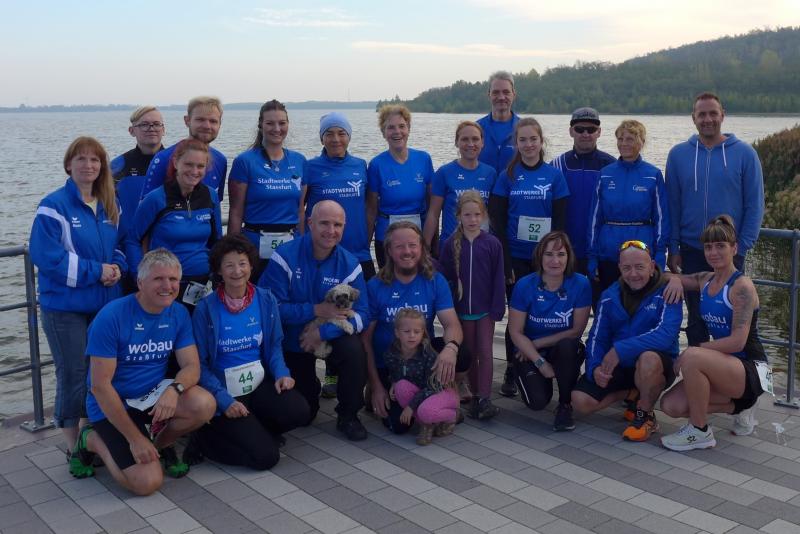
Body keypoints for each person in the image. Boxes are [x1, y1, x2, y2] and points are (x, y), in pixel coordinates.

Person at [69, 249, 216, 495]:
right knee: (146, 483)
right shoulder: (112, 316)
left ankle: (159, 445)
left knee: (204, 404)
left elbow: (192, 366)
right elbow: (100, 386)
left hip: (151, 398)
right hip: (113, 404)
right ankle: (91, 440)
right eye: (158, 279)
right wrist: (134, 439)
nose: (167, 286)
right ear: (140, 282)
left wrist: (174, 390)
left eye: (173, 279)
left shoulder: (178, 313)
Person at [30, 135, 126, 460]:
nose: (88, 165)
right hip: (65, 308)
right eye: (81, 159)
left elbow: (121, 245)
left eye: (95, 159)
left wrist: (118, 267)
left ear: (102, 166)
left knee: (99, 373)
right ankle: (73, 446)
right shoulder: (53, 206)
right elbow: (47, 257)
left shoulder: (111, 205)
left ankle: (89, 433)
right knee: (72, 373)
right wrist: (97, 271)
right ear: (68, 165)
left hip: (103, 306)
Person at [191, 235, 310, 469]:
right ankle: (204, 439)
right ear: (219, 270)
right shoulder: (206, 309)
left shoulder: (266, 299)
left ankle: (255, 430)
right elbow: (200, 364)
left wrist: (282, 374)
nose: (237, 271)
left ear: (251, 266)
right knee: (266, 458)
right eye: (229, 265)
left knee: (299, 411)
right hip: (224, 391)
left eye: (242, 263)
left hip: (257, 385)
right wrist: (224, 400)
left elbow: (274, 345)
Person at [258, 200, 370, 441]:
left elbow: (363, 314)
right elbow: (270, 310)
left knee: (354, 349)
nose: (331, 231)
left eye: (337, 225)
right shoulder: (284, 256)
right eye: (324, 223)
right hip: (292, 341)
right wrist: (315, 309)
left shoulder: (350, 263)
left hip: (327, 335)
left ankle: (349, 414)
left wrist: (322, 333)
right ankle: (311, 388)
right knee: (304, 415)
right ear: (310, 223)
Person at [660, 215, 768, 450]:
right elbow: (666, 277)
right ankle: (739, 406)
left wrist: (693, 352)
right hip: (724, 365)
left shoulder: (741, 287)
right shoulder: (705, 280)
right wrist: (675, 280)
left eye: (720, 246)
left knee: (693, 356)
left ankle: (700, 430)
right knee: (670, 405)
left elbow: (737, 342)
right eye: (708, 247)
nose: (713, 252)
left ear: (734, 248)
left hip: (752, 368)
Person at [666, 92, 765, 347]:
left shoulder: (745, 154)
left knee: (731, 316)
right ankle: (697, 365)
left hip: (729, 250)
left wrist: (742, 246)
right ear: (693, 118)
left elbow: (755, 205)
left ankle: (733, 367)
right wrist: (673, 247)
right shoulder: (678, 155)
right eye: (702, 114)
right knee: (696, 320)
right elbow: (672, 205)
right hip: (691, 249)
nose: (707, 119)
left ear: (723, 115)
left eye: (713, 113)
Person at [489, 117, 570, 397]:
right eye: (522, 140)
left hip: (545, 259)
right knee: (517, 315)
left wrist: (557, 259)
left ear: (541, 141)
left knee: (543, 312)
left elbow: (560, 222)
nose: (528, 144)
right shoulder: (507, 176)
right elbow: (497, 221)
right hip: (516, 258)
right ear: (516, 143)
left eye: (533, 139)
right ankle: (513, 369)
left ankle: (544, 363)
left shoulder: (554, 176)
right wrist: (506, 262)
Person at [571, 240, 682, 442]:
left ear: (652, 266)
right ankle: (632, 393)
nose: (633, 274)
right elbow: (597, 337)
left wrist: (620, 350)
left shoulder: (667, 291)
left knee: (648, 359)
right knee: (580, 401)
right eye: (627, 268)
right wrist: (595, 368)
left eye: (639, 267)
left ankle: (645, 415)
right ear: (619, 268)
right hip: (621, 365)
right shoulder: (609, 296)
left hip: (656, 365)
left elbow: (665, 335)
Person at [364, 221, 467, 434]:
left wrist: (451, 349)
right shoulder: (375, 285)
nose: (407, 251)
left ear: (421, 247)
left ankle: (447, 396)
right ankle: (426, 410)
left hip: (423, 363)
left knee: (462, 352)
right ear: (389, 251)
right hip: (391, 365)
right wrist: (376, 386)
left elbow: (452, 324)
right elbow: (364, 340)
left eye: (412, 245)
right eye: (400, 246)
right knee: (398, 426)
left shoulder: (434, 280)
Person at [507, 231, 591, 431]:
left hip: (559, 347)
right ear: (540, 256)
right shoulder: (524, 285)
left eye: (561, 254)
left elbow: (577, 330)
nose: (555, 261)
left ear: (569, 257)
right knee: (537, 402)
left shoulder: (581, 283)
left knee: (568, 346)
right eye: (549, 254)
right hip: (529, 352)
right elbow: (515, 331)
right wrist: (539, 361)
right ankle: (529, 376)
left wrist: (537, 343)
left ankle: (565, 404)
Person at [134, 138, 222, 312]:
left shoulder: (211, 196)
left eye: (200, 166)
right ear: (176, 163)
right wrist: (139, 277)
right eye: (189, 164)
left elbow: (217, 241)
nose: (194, 171)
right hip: (166, 285)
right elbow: (133, 239)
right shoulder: (156, 199)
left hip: (202, 283)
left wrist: (218, 276)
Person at [438, 191, 505, 419]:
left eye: (477, 214)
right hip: (462, 312)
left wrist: (498, 307)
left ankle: (484, 397)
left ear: (483, 215)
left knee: (485, 352)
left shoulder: (492, 244)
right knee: (471, 353)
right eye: (467, 215)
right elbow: (444, 278)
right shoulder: (450, 244)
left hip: (485, 311)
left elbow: (498, 278)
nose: (473, 219)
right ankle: (475, 395)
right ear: (458, 216)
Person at [227, 100, 306, 281]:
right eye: (270, 123)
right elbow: (236, 211)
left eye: (282, 123)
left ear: (288, 125)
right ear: (261, 125)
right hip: (254, 245)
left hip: (291, 245)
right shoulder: (245, 162)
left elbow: (300, 210)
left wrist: (303, 244)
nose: (277, 129)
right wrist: (232, 252)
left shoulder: (299, 161)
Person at [587, 120, 669, 295]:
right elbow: (595, 219)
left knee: (640, 303)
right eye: (620, 139)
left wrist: (661, 252)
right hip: (609, 253)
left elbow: (661, 218)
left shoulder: (653, 175)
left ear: (641, 142)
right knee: (609, 301)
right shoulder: (605, 174)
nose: (624, 143)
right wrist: (592, 255)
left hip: (641, 254)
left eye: (630, 139)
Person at [301, 112, 374, 278]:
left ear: (349, 137)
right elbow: (299, 209)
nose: (336, 139)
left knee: (366, 294)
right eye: (329, 134)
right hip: (321, 252)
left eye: (341, 133)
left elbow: (369, 207)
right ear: (321, 139)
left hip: (358, 252)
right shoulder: (310, 167)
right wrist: (303, 241)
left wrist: (367, 240)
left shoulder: (360, 165)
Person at [366, 104, 433, 267]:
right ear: (383, 132)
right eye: (391, 127)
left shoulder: (423, 159)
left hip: (417, 238)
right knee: (388, 280)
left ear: (408, 129)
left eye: (402, 126)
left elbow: (432, 206)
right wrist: (365, 247)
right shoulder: (376, 165)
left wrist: (431, 241)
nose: (397, 132)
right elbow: (371, 210)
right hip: (386, 238)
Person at [551, 107, 615, 276]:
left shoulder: (611, 166)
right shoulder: (557, 165)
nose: (585, 134)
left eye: (591, 129)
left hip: (601, 252)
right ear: (571, 131)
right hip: (565, 250)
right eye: (579, 129)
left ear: (599, 132)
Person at [385, 308, 460, 445]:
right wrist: (394, 382)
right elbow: (395, 371)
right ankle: (427, 424)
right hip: (422, 394)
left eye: (417, 332)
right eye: (406, 331)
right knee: (400, 387)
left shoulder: (428, 355)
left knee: (425, 411)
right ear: (397, 333)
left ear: (422, 333)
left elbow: (432, 387)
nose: (412, 335)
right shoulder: (392, 353)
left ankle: (451, 416)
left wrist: (410, 407)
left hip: (441, 391)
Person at [112, 106, 166, 293]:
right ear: (131, 130)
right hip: (129, 251)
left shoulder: (177, 163)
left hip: (169, 248)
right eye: (144, 125)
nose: (151, 129)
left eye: (156, 124)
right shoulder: (117, 168)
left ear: (164, 129)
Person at [422, 121, 497, 255]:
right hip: (451, 246)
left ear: (482, 143)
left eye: (475, 139)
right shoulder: (444, 173)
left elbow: (493, 215)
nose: (470, 144)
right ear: (456, 142)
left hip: (481, 247)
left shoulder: (491, 173)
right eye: (464, 139)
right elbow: (433, 214)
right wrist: (425, 248)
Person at [141, 96, 227, 200]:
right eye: (200, 119)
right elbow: (146, 205)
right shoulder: (163, 159)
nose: (207, 126)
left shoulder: (221, 160)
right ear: (187, 121)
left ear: (220, 124)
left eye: (213, 121)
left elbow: (216, 203)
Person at [477, 71, 520, 174]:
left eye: (506, 92)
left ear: (513, 94)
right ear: (489, 94)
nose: (501, 97)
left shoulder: (525, 129)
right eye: (496, 92)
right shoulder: (476, 129)